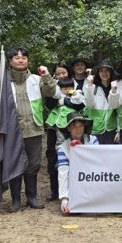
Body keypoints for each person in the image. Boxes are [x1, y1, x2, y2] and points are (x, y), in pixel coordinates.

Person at [0, 47, 58, 212]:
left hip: (34, 128)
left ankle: (32, 197)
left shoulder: (36, 79)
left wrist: (47, 76)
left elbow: (51, 92)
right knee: (14, 162)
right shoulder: (2, 83)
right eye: (16, 57)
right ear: (10, 61)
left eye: (24, 58)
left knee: (33, 164)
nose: (20, 60)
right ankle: (15, 200)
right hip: (12, 130)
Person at [56, 112, 99, 215]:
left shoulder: (93, 140)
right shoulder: (63, 148)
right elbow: (63, 173)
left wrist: (81, 150)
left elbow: (98, 163)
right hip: (74, 186)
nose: (78, 129)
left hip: (94, 181)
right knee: (72, 210)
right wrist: (64, 198)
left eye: (80, 126)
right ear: (69, 129)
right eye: (74, 127)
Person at [43, 63, 70, 201]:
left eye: (63, 73)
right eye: (58, 74)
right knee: (52, 157)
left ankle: (70, 189)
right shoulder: (51, 87)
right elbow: (49, 103)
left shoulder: (74, 86)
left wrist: (64, 100)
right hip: (54, 127)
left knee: (68, 158)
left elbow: (77, 102)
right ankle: (54, 191)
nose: (61, 76)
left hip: (70, 128)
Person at [85, 60, 119, 145]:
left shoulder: (115, 87)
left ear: (111, 73)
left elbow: (117, 109)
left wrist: (119, 131)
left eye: (107, 70)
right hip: (95, 130)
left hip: (111, 129)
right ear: (98, 73)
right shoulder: (92, 87)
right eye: (101, 71)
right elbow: (88, 104)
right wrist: (89, 86)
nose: (104, 73)